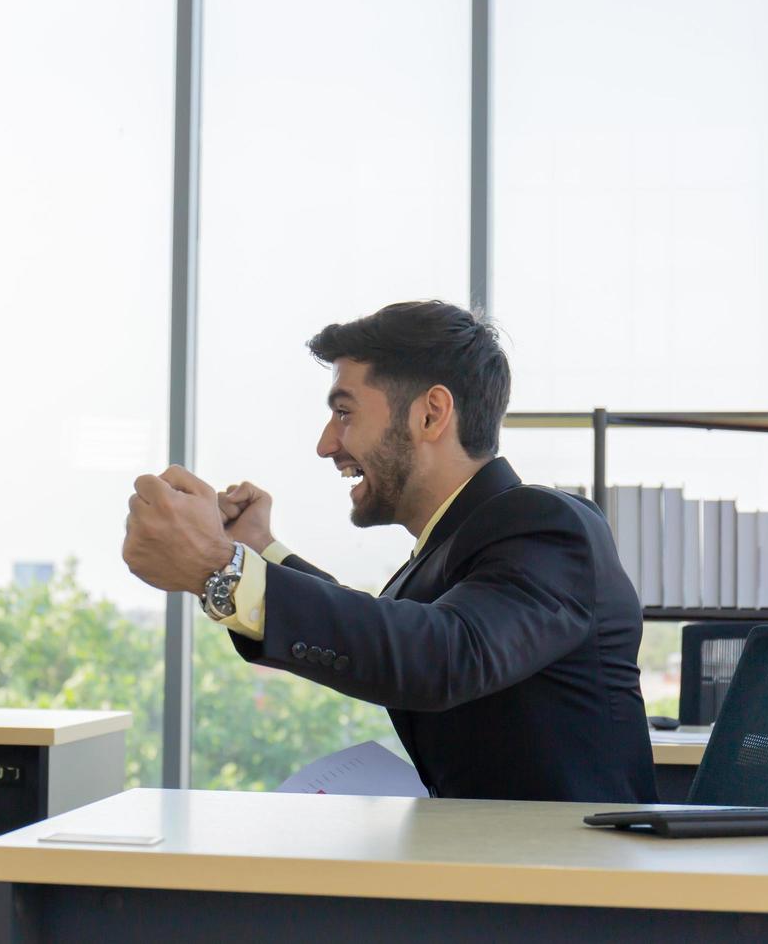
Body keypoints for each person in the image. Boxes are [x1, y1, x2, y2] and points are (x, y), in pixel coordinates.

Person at [122, 301, 657, 803]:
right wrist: (257, 551)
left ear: (431, 415)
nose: (326, 443)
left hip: (578, 887)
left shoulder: (550, 526)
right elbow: (394, 632)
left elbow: (443, 655)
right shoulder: (449, 551)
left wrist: (225, 571)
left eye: (345, 412)